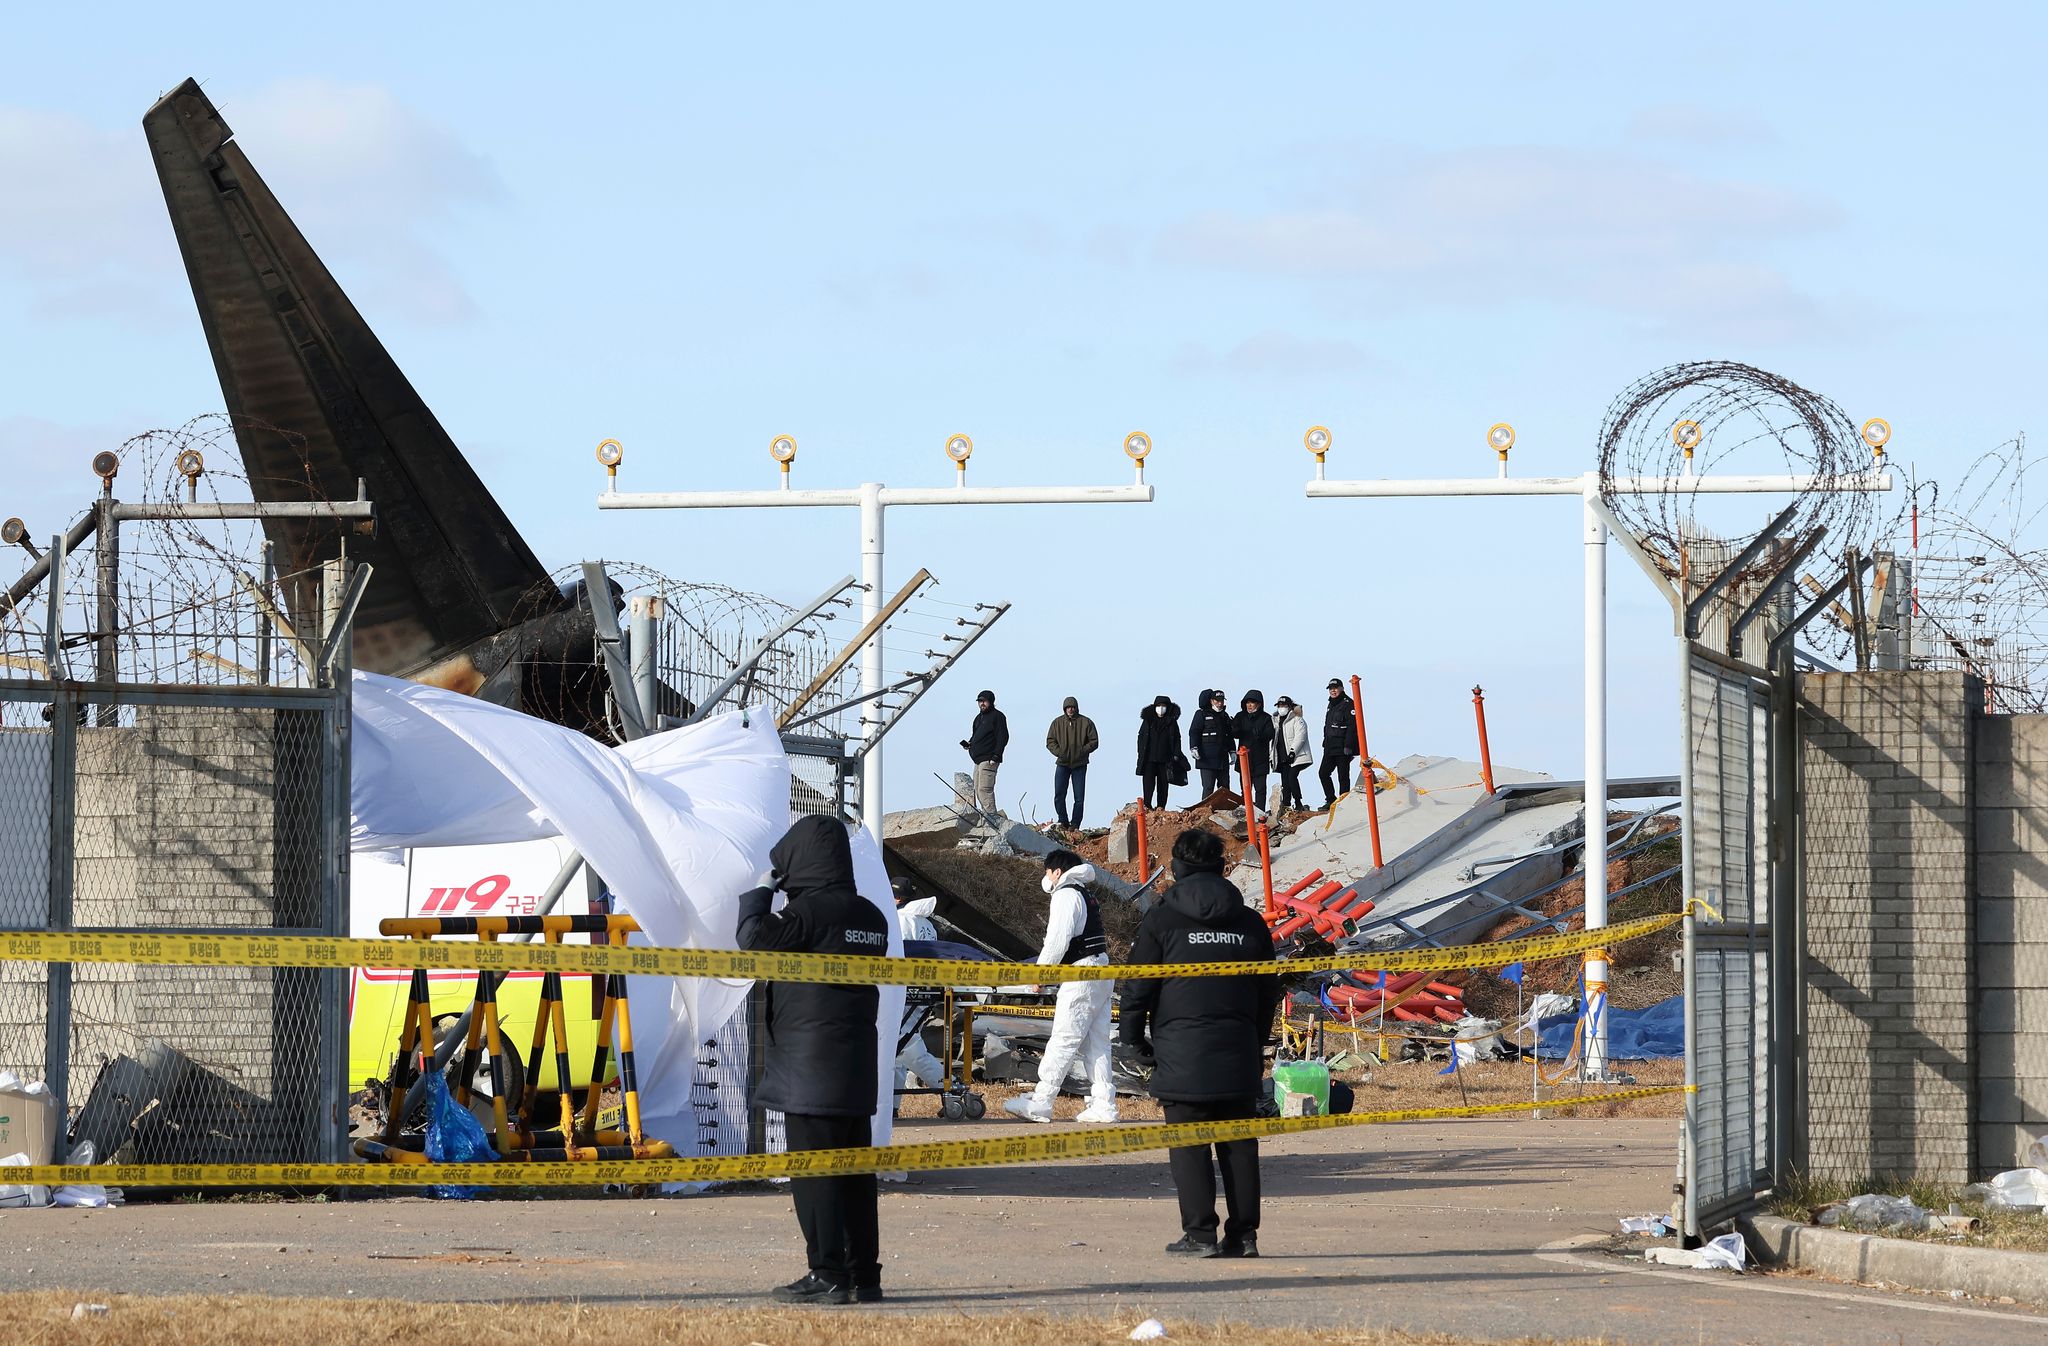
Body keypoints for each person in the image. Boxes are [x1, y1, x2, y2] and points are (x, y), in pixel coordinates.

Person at [737, 816, 893, 1305]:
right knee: (854, 1174)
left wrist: (761, 890)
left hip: (809, 1073)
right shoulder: (872, 918)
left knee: (814, 1175)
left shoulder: (808, 916)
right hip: (854, 1070)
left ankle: (826, 1273)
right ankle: (864, 1276)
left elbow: (752, 937)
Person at [1119, 829, 1281, 1258]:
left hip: (1181, 1052)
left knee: (1190, 1146)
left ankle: (1201, 1235)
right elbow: (1269, 992)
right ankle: (1244, 1237)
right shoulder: (1249, 923)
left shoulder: (1162, 919)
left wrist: (1133, 1040)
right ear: (1220, 867)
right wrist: (1255, 1039)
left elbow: (1138, 988)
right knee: (1240, 1146)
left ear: (1177, 868)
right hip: (1238, 1051)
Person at [1002, 848, 1119, 1124]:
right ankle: (1104, 1104)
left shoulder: (1065, 894)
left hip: (1082, 975)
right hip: (1101, 971)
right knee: (1098, 1043)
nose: (1046, 879)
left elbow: (1056, 941)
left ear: (1056, 872)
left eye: (1047, 872)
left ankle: (1041, 1101)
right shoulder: (1085, 894)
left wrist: (1040, 975)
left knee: (1064, 1038)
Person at [891, 880, 948, 1092]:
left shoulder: (899, 919)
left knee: (903, 1044)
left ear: (896, 898)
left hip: (903, 992)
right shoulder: (927, 925)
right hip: (922, 993)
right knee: (898, 1048)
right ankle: (892, 1106)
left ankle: (949, 1086)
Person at [1044, 696, 1099, 830]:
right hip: (1062, 763)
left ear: (1076, 708)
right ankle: (1063, 821)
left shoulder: (1086, 722)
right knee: (1059, 795)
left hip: (1080, 764)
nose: (1070, 709)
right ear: (1064, 708)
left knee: (1079, 798)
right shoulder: (1057, 723)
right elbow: (1050, 741)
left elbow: (1094, 741)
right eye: (1068, 707)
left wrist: (1082, 751)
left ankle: (1075, 824)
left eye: (1073, 707)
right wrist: (1060, 752)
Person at [960, 690, 1009, 817]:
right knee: (977, 788)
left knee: (985, 789)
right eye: (980, 701)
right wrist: (970, 744)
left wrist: (996, 755)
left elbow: (1003, 737)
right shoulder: (979, 718)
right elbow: (976, 735)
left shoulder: (998, 716)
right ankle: (990, 817)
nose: (982, 704)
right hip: (978, 760)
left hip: (989, 758)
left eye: (984, 701)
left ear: (991, 702)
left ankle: (992, 818)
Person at [1230, 689, 1275, 813]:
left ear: (1259, 704)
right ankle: (1246, 812)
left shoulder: (1266, 718)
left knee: (1260, 789)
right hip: (1244, 760)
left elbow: (1270, 734)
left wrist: (1260, 735)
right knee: (1245, 788)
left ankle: (1260, 814)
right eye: (1247, 702)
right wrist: (1234, 728)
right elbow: (1235, 733)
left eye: (1252, 702)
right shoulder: (1240, 716)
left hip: (1260, 759)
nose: (1249, 705)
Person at [1187, 688, 1237, 798]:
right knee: (1208, 787)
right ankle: (1205, 812)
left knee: (1224, 787)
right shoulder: (1201, 714)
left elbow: (1229, 736)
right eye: (1217, 701)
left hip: (1222, 759)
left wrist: (1232, 751)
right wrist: (1193, 747)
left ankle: (1224, 810)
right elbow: (1194, 731)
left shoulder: (1224, 716)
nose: (1219, 703)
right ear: (1211, 701)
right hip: (1206, 759)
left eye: (1221, 701)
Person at [1318, 678, 1358, 809]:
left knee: (1343, 776)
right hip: (1330, 746)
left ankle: (1344, 802)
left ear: (1341, 688)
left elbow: (1352, 727)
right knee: (1323, 773)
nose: (1333, 691)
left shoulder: (1348, 704)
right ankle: (1331, 800)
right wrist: (1325, 742)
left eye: (1335, 688)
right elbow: (1327, 725)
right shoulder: (1331, 705)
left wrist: (1348, 746)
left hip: (1342, 746)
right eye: (1330, 689)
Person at [1135, 695, 1181, 809]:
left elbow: (1177, 739)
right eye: (1159, 706)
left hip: (1165, 760)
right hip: (1149, 759)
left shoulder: (1172, 722)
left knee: (1163, 785)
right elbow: (1141, 738)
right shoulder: (1148, 720)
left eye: (1164, 706)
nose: (1161, 708)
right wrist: (1141, 754)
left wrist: (1176, 754)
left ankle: (1161, 807)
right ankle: (1147, 805)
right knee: (1148, 784)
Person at [1273, 696, 1312, 812]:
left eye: (1284, 706)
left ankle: (1298, 802)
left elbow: (1300, 737)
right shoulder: (1275, 720)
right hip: (1282, 756)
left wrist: (1292, 752)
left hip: (1296, 757)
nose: (1282, 708)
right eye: (1279, 706)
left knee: (1292, 777)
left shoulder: (1297, 720)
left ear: (1290, 707)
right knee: (1285, 780)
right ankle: (1286, 804)